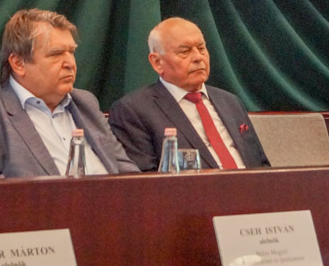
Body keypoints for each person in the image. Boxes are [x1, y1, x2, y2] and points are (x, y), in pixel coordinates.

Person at [0, 9, 138, 179]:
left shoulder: (85, 102)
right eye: (56, 54)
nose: (70, 63)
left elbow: (128, 174)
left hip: (113, 205)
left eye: (71, 52)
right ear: (18, 63)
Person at [108, 17, 268, 171]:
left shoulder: (230, 101)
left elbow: (261, 165)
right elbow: (144, 181)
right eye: (185, 51)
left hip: (252, 188)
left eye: (201, 48)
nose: (198, 57)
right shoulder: (133, 110)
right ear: (157, 62)